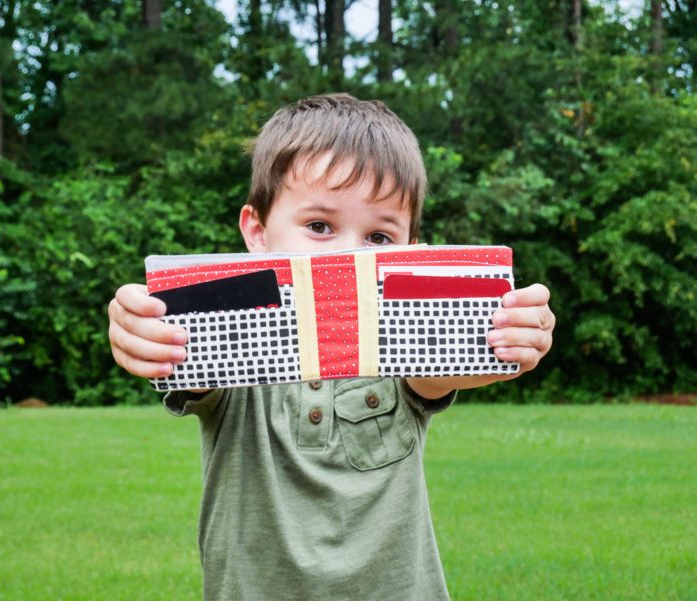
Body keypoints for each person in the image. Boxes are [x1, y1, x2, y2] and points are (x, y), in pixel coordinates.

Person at [108, 94, 555, 601]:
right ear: (257, 232)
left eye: (379, 237)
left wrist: (510, 334)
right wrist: (141, 326)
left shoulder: (405, 342)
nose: (347, 254)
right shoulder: (231, 338)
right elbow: (184, 355)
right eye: (319, 226)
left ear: (410, 251)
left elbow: (441, 372)